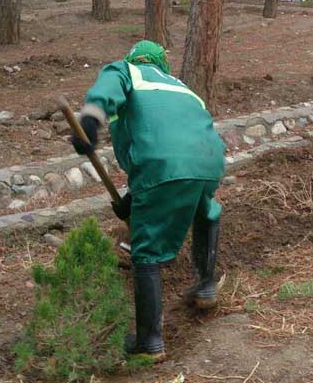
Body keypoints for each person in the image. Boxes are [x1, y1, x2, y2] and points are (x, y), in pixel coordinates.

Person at [71, 40, 226, 362]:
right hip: (209, 162)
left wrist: (90, 122)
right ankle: (205, 286)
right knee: (205, 212)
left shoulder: (127, 71)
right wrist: (134, 198)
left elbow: (106, 92)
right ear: (162, 65)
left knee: (146, 251)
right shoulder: (181, 87)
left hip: (162, 166)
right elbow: (174, 140)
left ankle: (149, 342)